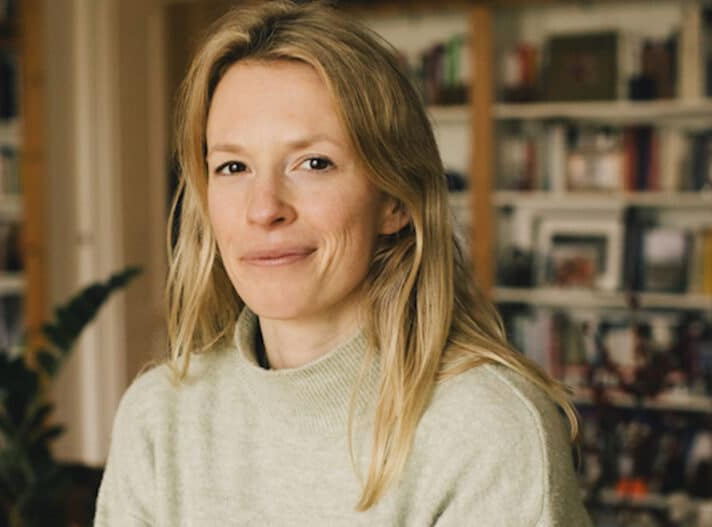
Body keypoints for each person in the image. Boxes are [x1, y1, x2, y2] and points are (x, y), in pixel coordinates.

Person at [94, 1, 592, 525]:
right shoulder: (158, 418)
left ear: (395, 200)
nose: (264, 208)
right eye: (233, 166)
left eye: (314, 163)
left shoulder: (487, 430)